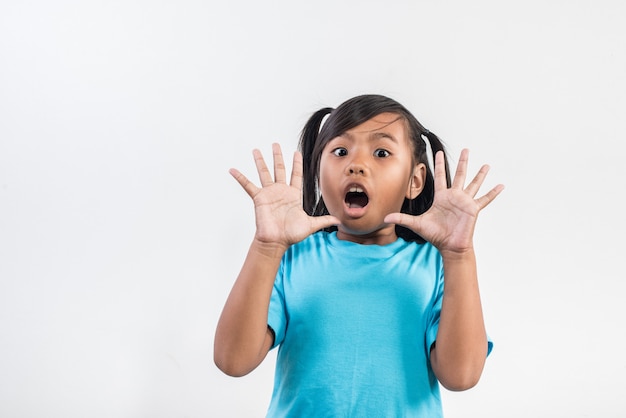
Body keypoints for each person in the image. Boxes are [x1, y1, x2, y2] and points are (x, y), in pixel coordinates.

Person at [214, 94, 504, 417]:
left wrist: (459, 256)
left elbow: (461, 375)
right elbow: (232, 360)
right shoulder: (290, 258)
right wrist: (266, 247)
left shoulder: (437, 266)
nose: (356, 164)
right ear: (318, 169)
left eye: (381, 152)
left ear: (416, 180)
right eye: (340, 151)